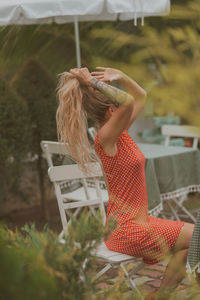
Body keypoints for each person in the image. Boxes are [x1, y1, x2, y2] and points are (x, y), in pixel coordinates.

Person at [56, 67, 194, 299]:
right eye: (119, 109)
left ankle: (160, 295)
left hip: (140, 223)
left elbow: (139, 96)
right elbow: (129, 101)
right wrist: (92, 81)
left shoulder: (121, 133)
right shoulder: (105, 139)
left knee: (193, 245)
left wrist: (121, 76)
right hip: (127, 230)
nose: (124, 110)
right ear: (112, 110)